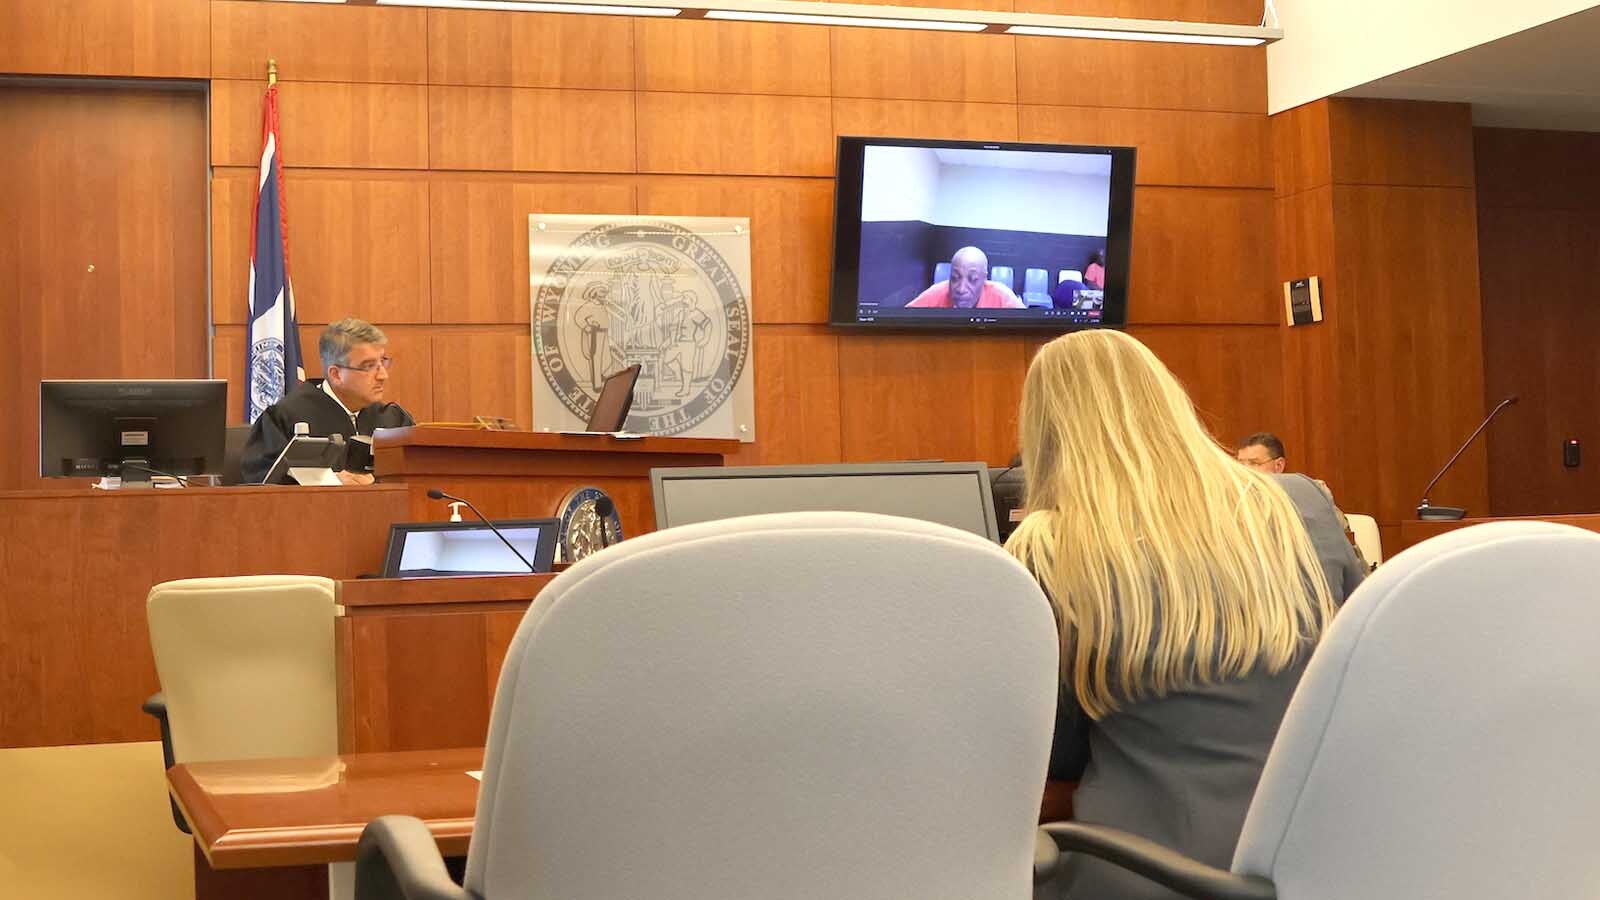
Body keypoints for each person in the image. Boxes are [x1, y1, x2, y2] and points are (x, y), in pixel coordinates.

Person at [1008, 331, 1365, 900]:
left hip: (1143, 871)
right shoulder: (1299, 503)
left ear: (1046, 433)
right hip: (1328, 860)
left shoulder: (1048, 547)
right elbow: (1360, 667)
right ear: (1168, 400)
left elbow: (1057, 754)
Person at [240, 318, 415, 485]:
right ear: (336, 374)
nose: (383, 375)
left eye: (382, 362)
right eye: (369, 366)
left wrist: (375, 482)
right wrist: (329, 482)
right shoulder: (285, 417)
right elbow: (263, 484)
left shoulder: (393, 420)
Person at [1236, 432, 1369, 571]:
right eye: (1240, 464)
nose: (1244, 471)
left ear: (1279, 465)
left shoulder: (1312, 494)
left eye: (1254, 463)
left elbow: (1344, 546)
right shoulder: (1232, 502)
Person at [905, 246, 1025, 309]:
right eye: (955, 278)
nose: (961, 289)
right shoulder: (937, 293)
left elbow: (1028, 325)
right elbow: (905, 319)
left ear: (984, 279)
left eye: (973, 279)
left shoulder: (1001, 296)